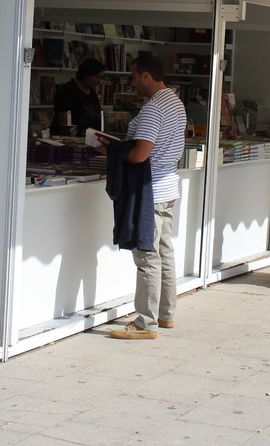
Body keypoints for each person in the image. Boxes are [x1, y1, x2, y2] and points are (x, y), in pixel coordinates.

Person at [107, 55, 187, 339]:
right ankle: (167, 314)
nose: (131, 82)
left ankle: (145, 322)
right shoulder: (175, 103)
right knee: (165, 251)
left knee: (146, 255)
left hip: (149, 189)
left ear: (145, 76)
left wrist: (116, 153)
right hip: (168, 187)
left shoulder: (154, 109)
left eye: (134, 76)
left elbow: (141, 153)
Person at [52, 57, 104, 136]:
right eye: (97, 77)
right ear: (87, 74)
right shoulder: (66, 91)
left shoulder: (92, 93)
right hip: (72, 140)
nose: (99, 81)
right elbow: (64, 122)